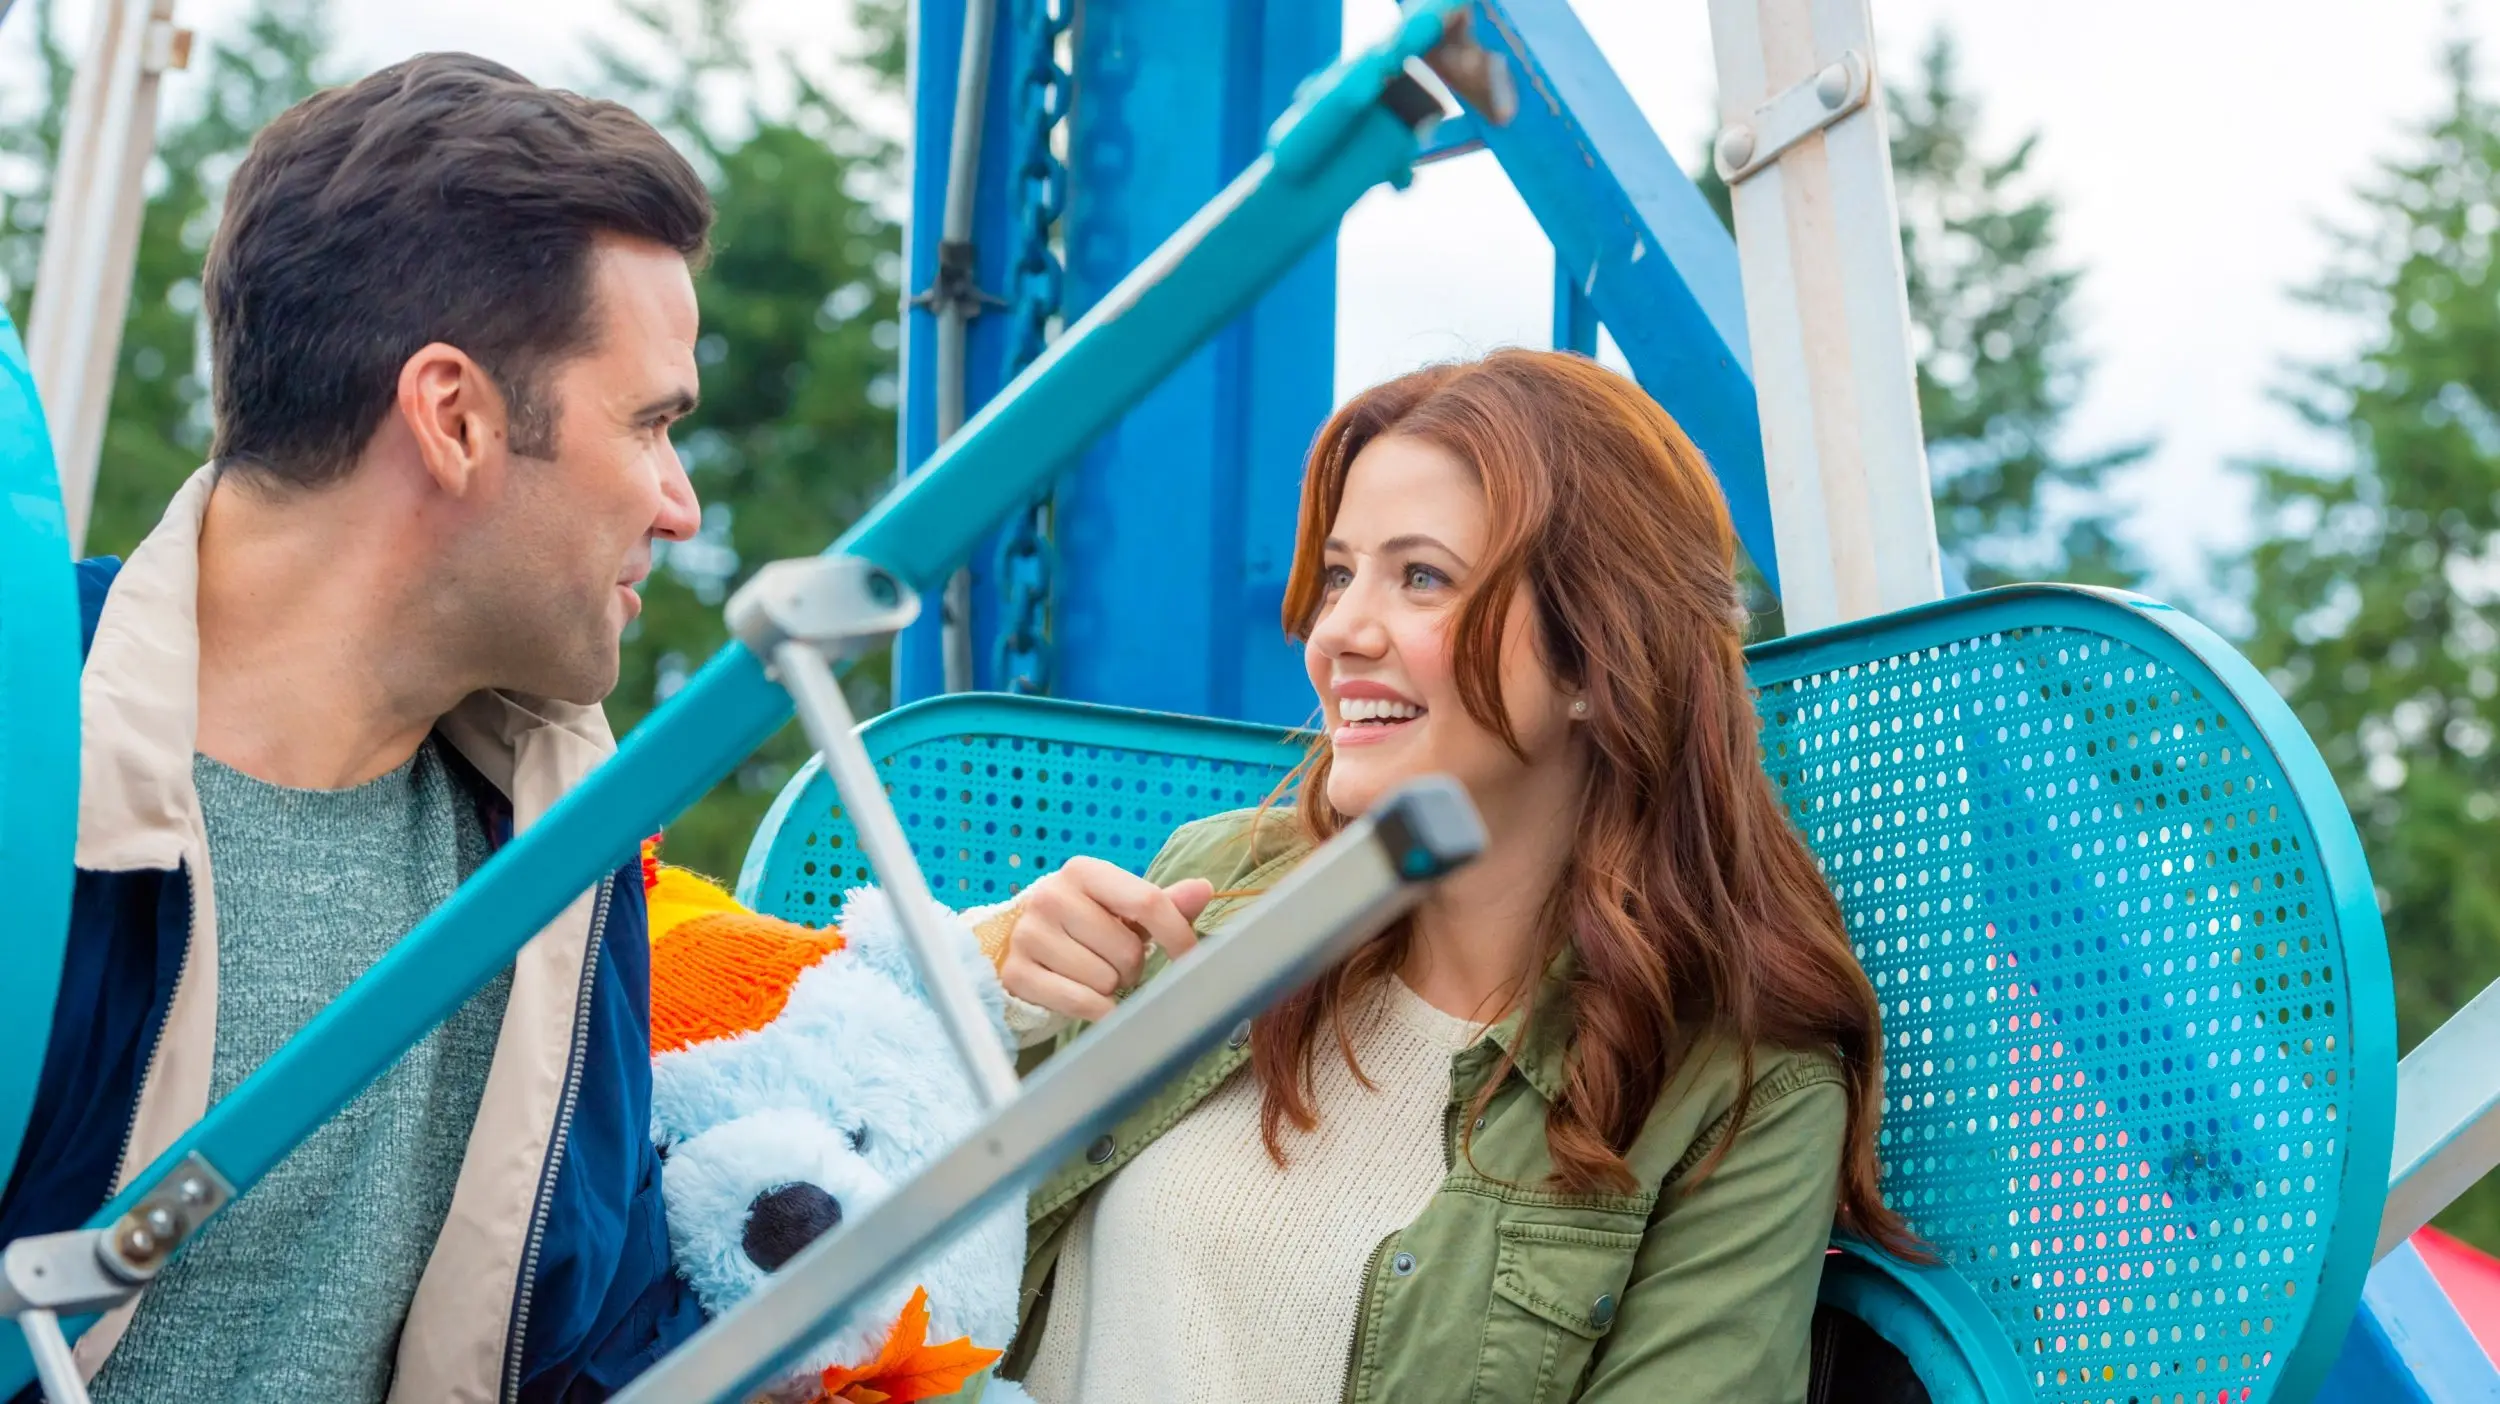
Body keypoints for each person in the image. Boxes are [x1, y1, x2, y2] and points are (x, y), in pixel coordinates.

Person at [978, 349, 1916, 1403]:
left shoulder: (1736, 1089)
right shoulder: (1215, 887)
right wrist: (989, 994)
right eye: (1339, 574)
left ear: (1595, 660)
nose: (1338, 632)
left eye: (1419, 576)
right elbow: (852, 1237)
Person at [0, 55, 710, 1403]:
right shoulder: (23, 734)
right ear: (454, 417)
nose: (678, 506)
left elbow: (594, 1349)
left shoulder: (568, 837)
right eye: (652, 423)